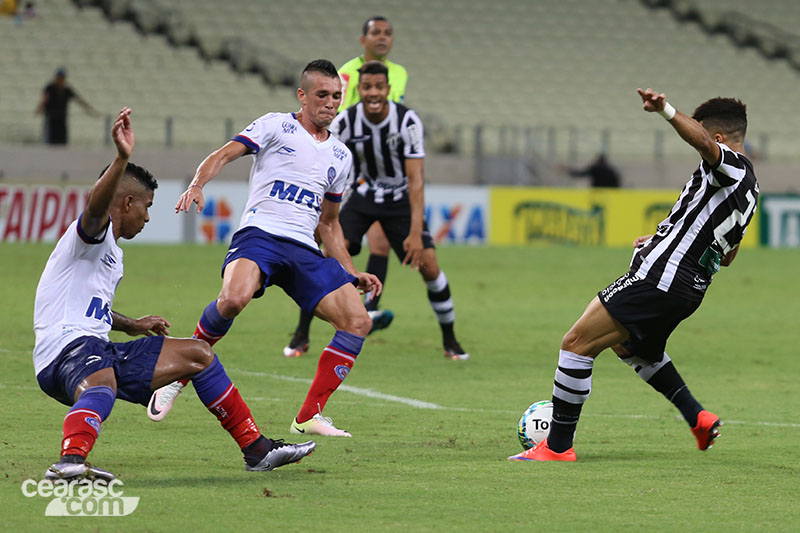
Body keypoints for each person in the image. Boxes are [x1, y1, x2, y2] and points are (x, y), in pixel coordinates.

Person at [33, 108, 315, 481]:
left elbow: (86, 306)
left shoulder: (111, 253)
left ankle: (257, 450)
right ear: (128, 203)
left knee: (199, 355)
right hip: (65, 351)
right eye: (146, 207)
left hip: (95, 347)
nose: (148, 218)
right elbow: (96, 206)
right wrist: (121, 159)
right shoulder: (88, 234)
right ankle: (70, 461)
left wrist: (131, 324)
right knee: (100, 383)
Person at [509, 89, 758, 462]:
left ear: (719, 139)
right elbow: (727, 256)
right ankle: (698, 416)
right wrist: (664, 236)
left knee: (576, 344)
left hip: (661, 277)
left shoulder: (730, 165)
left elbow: (704, 142)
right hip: (689, 289)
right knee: (631, 347)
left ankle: (558, 447)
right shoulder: (751, 191)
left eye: (704, 135)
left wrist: (666, 111)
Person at [149, 60, 381, 438]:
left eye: (336, 96)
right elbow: (224, 153)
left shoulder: (340, 156)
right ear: (302, 96)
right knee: (234, 299)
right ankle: (176, 377)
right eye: (322, 95)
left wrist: (350, 270)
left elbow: (329, 223)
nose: (330, 103)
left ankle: (309, 415)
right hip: (261, 234)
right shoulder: (277, 125)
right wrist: (197, 183)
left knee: (358, 321)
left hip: (304, 248)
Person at [292, 61, 470, 361]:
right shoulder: (346, 121)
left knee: (429, 265)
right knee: (328, 255)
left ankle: (450, 339)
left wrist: (415, 232)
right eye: (367, 87)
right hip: (361, 196)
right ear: (359, 90)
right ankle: (301, 335)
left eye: (379, 87)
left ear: (388, 89)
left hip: (399, 199)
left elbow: (416, 180)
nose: (373, 93)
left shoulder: (408, 121)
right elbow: (326, 164)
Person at [284, 15, 409, 357]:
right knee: (327, 245)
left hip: (376, 172)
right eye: (376, 33)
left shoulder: (399, 74)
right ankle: (302, 330)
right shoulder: (347, 71)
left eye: (388, 33)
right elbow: (338, 116)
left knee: (380, 243)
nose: (382, 39)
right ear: (363, 39)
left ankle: (365, 311)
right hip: (345, 163)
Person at [35, 67, 99, 145]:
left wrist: (90, 110)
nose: (61, 80)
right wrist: (39, 109)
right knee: (51, 141)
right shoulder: (50, 88)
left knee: (62, 141)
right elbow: (45, 99)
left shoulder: (66, 90)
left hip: (62, 118)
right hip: (51, 118)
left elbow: (79, 100)